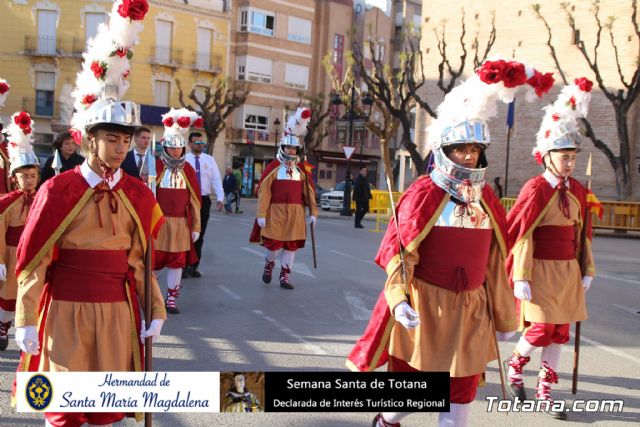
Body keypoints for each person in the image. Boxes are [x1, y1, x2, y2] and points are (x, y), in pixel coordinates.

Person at [346, 60, 553, 427]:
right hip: (427, 306)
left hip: (472, 309)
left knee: (461, 391)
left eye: (475, 149)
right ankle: (387, 419)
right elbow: (399, 255)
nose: (469, 156)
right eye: (461, 149)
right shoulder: (424, 193)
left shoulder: (486, 196)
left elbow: (495, 260)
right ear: (445, 150)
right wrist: (398, 301)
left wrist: (504, 313)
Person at [505, 78, 596, 420]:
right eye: (563, 156)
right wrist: (521, 276)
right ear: (546, 156)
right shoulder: (535, 188)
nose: (569, 163)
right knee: (541, 329)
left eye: (573, 157)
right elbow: (522, 233)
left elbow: (583, 234)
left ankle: (546, 391)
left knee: (560, 333)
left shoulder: (578, 190)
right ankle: (515, 367)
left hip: (567, 271)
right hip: (538, 270)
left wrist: (587, 270)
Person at [249, 107, 317, 290]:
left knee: (291, 246)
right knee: (273, 245)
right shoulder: (273, 167)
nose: (291, 150)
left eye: (294, 148)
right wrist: (261, 213)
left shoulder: (302, 169)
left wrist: (314, 213)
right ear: (282, 147)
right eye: (288, 147)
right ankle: (269, 265)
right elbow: (265, 191)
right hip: (276, 212)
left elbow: (309, 192)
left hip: (295, 213)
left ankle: (285, 276)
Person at [153, 108, 202, 314]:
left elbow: (195, 200)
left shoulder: (188, 170)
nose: (175, 152)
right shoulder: (155, 166)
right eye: (172, 148)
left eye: (179, 148)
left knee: (177, 263)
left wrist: (196, 225)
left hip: (181, 223)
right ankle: (150, 297)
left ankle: (171, 298)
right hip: (158, 223)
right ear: (165, 147)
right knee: (154, 262)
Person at [0, 111, 40, 351]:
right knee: (8, 294)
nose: (29, 180)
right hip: (12, 253)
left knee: (33, 294)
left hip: (35, 254)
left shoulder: (43, 199)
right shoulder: (6, 204)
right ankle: (2, 325)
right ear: (14, 178)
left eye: (33, 176)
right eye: (24, 176)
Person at [184, 132, 224, 278]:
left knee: (199, 235)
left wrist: (220, 197)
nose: (200, 145)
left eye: (202, 143)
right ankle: (182, 266)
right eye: (197, 143)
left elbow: (216, 179)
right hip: (187, 199)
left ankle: (194, 266)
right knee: (186, 234)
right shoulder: (183, 159)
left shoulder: (210, 160)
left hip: (204, 200)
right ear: (189, 144)